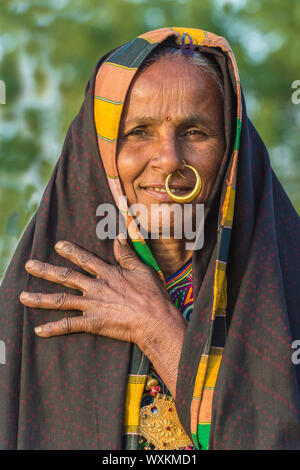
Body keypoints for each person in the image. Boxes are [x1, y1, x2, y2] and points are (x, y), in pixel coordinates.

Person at [0, 27, 299, 451]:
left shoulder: (282, 295)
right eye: (138, 132)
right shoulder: (40, 302)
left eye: (195, 132)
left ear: (231, 150)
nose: (170, 160)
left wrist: (159, 330)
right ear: (99, 152)